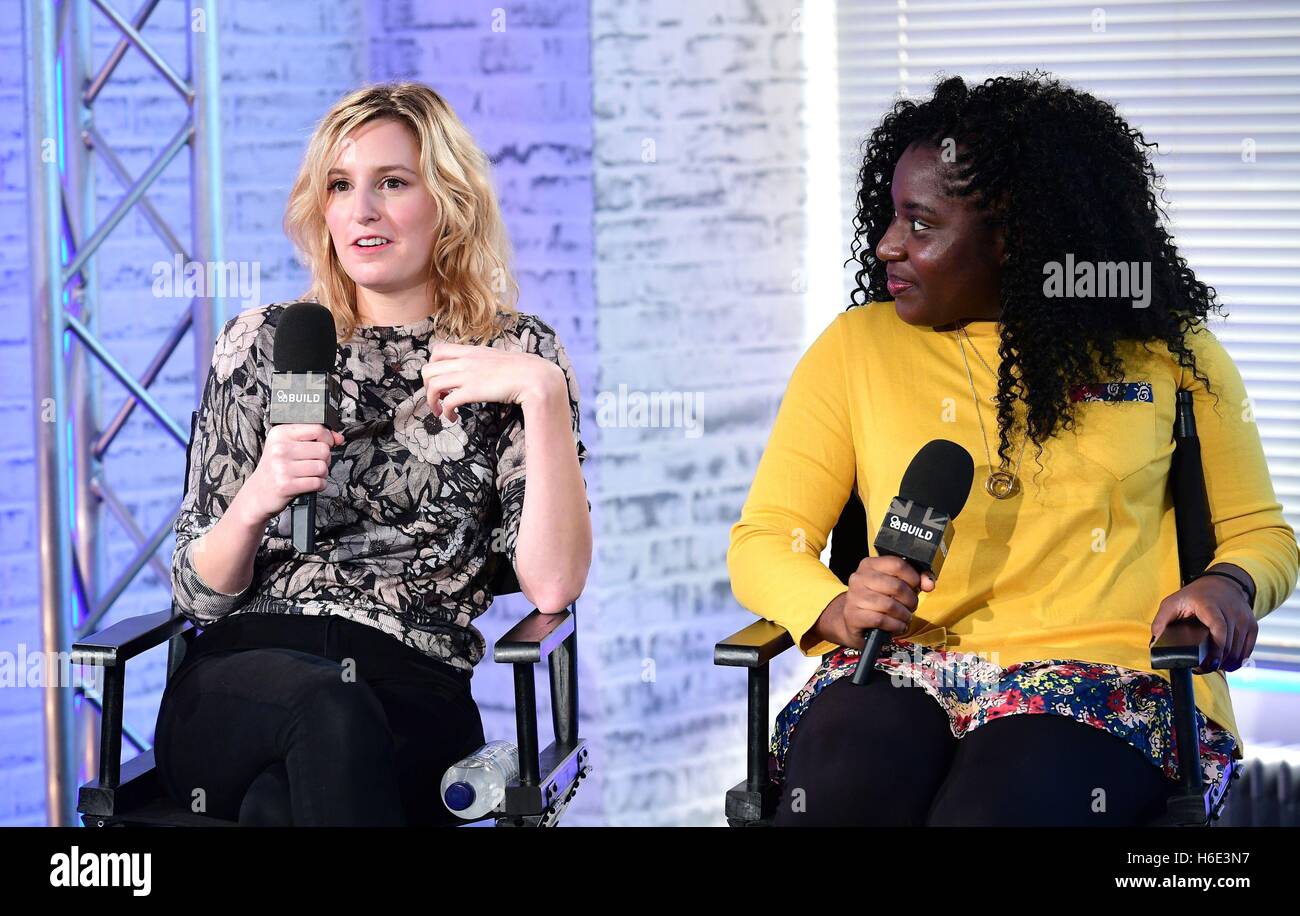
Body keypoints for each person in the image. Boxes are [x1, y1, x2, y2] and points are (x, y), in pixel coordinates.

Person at [727, 72, 1299, 826]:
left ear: (1012, 237)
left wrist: (1229, 585)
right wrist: (834, 606)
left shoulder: (1169, 353)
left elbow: (1262, 537)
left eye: (921, 224)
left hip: (1103, 684)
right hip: (900, 670)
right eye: (891, 217)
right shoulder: (854, 349)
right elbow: (766, 540)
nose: (886, 244)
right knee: (838, 799)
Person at [154, 82, 592, 826]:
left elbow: (552, 586)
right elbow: (198, 595)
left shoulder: (519, 354)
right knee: (324, 708)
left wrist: (543, 396)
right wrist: (259, 496)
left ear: (448, 198)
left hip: (413, 690)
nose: (362, 211)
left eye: (392, 182)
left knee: (277, 806)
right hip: (242, 676)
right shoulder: (263, 344)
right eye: (340, 185)